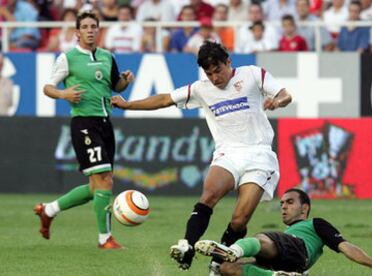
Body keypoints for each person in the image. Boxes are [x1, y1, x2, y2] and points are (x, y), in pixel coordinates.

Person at [111, 41, 292, 274]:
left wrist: (276, 102)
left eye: (218, 70)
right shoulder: (201, 89)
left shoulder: (252, 74)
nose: (215, 78)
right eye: (209, 73)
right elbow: (164, 99)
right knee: (209, 195)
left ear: (228, 62)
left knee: (239, 220)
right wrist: (128, 105)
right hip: (228, 153)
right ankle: (187, 246)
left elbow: (285, 95)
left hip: (259, 155)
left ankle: (218, 263)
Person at [34, 11, 135, 249]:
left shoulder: (107, 56)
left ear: (98, 30)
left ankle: (48, 210)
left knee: (95, 187)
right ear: (77, 32)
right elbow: (48, 87)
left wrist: (125, 81)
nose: (90, 30)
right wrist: (63, 94)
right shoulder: (68, 58)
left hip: (104, 123)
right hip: (84, 125)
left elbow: (114, 84)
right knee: (105, 180)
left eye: (93, 26)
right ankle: (105, 239)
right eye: (85, 27)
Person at [195, 188, 372, 276]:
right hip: (286, 264)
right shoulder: (286, 233)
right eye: (282, 203)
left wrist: (371, 263)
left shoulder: (315, 224)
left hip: (296, 250)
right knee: (228, 269)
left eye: (290, 202)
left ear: (304, 208)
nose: (283, 207)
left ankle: (234, 249)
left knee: (262, 239)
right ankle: (275, 275)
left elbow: (344, 246)